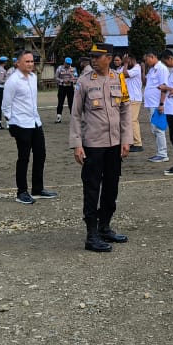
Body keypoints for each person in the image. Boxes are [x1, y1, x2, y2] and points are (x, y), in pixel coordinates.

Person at [70, 43, 132, 252]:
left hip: (114, 144)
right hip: (93, 145)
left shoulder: (118, 79)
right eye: (92, 57)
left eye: (98, 57)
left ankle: (105, 226)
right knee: (92, 188)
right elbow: (76, 115)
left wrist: (126, 139)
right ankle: (91, 234)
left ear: (109, 58)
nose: (94, 60)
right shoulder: (84, 81)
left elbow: (125, 110)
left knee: (111, 187)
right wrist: (77, 144)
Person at [3, 51, 56, 205]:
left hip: (35, 122)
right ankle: (21, 192)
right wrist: (11, 123)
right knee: (24, 158)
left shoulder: (33, 78)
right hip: (20, 124)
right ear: (18, 63)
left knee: (41, 154)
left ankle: (38, 188)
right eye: (27, 61)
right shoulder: (13, 81)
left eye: (32, 61)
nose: (30, 64)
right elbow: (6, 105)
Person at [142, 50, 169, 163]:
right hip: (151, 103)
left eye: (146, 60)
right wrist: (144, 69)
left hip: (157, 104)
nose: (146, 62)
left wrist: (161, 104)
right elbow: (145, 82)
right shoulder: (152, 69)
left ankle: (163, 154)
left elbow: (164, 86)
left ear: (152, 56)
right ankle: (160, 152)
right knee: (154, 129)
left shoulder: (161, 69)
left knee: (158, 128)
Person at [123, 53, 144, 152]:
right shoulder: (132, 68)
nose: (125, 62)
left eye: (127, 60)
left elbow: (124, 74)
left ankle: (138, 143)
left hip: (135, 98)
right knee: (129, 121)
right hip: (130, 98)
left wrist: (125, 64)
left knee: (133, 120)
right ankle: (132, 142)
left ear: (132, 59)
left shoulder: (137, 68)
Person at [54, 57, 77, 124]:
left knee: (71, 103)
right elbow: (56, 77)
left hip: (70, 87)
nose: (68, 65)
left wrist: (70, 80)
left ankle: (73, 118)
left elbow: (76, 78)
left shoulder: (73, 69)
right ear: (64, 62)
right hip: (62, 87)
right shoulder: (59, 68)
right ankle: (59, 118)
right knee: (60, 102)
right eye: (67, 64)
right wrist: (62, 81)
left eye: (69, 64)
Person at [0, 56, 10, 130]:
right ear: (4, 62)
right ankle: (7, 123)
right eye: (6, 61)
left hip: (0, 89)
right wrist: (8, 80)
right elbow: (0, 80)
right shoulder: (2, 70)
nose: (7, 62)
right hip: (1, 89)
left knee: (1, 106)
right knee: (5, 106)